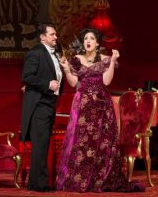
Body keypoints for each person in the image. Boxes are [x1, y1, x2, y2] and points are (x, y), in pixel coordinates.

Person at [56, 28, 145, 192]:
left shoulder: (105, 59)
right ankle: (80, 179)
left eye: (91, 39)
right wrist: (66, 69)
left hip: (101, 105)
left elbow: (106, 81)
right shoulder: (76, 59)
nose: (88, 41)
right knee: (81, 141)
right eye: (85, 39)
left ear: (97, 43)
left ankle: (100, 178)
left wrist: (112, 61)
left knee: (102, 142)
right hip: (82, 104)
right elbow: (74, 83)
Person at [21, 23, 63, 192]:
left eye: (55, 34)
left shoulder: (55, 54)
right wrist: (47, 84)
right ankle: (40, 185)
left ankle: (38, 183)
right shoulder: (35, 53)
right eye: (52, 34)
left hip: (49, 105)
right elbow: (27, 77)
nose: (55, 37)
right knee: (40, 145)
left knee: (43, 145)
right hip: (39, 105)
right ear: (42, 37)